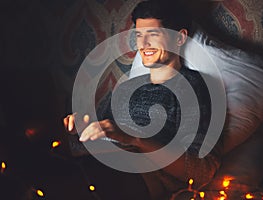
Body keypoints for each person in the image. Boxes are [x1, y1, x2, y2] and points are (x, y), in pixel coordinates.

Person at [63, 1, 222, 199]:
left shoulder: (195, 87)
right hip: (99, 167)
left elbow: (201, 172)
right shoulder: (127, 88)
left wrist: (134, 139)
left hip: (142, 179)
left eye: (153, 35)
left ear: (180, 37)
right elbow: (104, 138)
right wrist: (82, 130)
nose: (143, 44)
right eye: (139, 35)